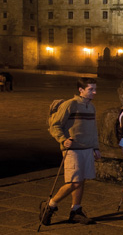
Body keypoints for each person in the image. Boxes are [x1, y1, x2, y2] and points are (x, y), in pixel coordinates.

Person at [41, 77, 101, 226]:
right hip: (73, 149)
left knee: (81, 180)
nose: (94, 92)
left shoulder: (91, 106)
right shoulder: (70, 104)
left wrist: (95, 147)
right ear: (81, 90)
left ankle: (76, 210)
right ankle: (50, 205)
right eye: (91, 89)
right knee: (74, 182)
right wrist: (62, 140)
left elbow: (93, 129)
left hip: (87, 148)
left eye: (95, 89)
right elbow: (55, 125)